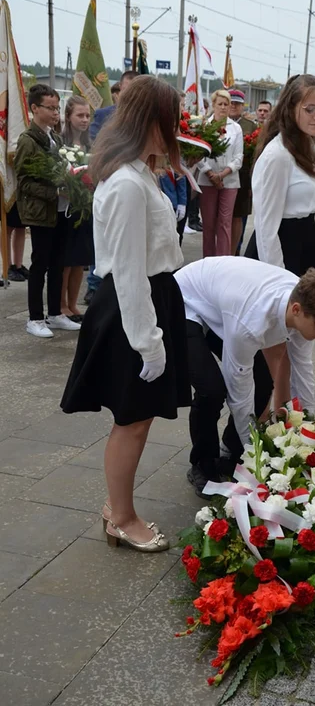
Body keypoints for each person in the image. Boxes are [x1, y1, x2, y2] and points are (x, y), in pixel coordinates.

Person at [61, 76, 190, 551]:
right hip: (135, 307)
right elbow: (129, 272)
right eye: (171, 117)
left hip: (149, 299)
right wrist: (148, 341)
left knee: (137, 418)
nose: (176, 126)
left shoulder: (139, 173)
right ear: (149, 120)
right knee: (132, 420)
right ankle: (122, 517)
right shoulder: (129, 185)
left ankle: (118, 508)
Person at [174, 256, 315, 496]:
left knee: (264, 383)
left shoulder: (302, 305)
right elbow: (239, 387)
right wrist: (254, 453)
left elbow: (303, 369)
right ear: (296, 310)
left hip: (223, 303)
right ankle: (202, 465)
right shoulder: (251, 321)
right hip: (184, 301)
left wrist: (308, 431)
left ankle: (230, 453)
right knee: (212, 390)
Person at [245, 74, 315, 276]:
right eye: (310, 109)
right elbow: (266, 228)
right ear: (291, 109)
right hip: (282, 250)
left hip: (308, 244)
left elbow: (308, 209)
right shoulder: (278, 156)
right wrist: (279, 280)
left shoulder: (310, 147)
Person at [14, 84, 81, 338]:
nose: (56, 113)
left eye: (57, 108)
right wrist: (53, 193)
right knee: (40, 264)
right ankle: (34, 318)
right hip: (42, 212)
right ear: (34, 108)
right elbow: (24, 182)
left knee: (58, 263)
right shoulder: (28, 140)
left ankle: (55, 313)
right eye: (50, 108)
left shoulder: (56, 137)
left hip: (61, 211)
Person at [85, 70, 139, 306]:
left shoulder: (141, 119)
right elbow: (97, 144)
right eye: (128, 89)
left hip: (133, 181)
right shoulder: (105, 115)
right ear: (120, 89)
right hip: (110, 177)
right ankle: (95, 285)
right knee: (105, 238)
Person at [196, 90, 243, 257]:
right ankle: (208, 260)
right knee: (208, 224)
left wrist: (222, 175)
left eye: (226, 104)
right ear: (213, 105)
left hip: (229, 181)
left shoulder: (236, 128)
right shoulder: (203, 125)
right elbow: (199, 154)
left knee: (225, 223)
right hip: (207, 179)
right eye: (220, 104)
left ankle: (223, 260)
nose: (223, 107)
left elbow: (238, 157)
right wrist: (210, 174)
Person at [60, 95, 94, 321]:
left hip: (87, 207)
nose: (84, 120)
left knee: (81, 258)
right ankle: (61, 305)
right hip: (67, 208)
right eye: (79, 115)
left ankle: (73, 304)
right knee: (66, 260)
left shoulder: (90, 144)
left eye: (87, 116)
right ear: (68, 117)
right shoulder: (61, 144)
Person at [228, 88, 256, 255]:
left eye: (237, 103)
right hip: (222, 177)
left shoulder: (250, 126)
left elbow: (256, 156)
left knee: (240, 217)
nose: (233, 106)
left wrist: (254, 182)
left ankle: (236, 249)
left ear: (242, 106)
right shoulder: (218, 122)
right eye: (231, 102)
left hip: (243, 178)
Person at [89, 70, 138, 141]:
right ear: (120, 87)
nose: (130, 95)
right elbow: (93, 140)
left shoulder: (146, 118)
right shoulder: (103, 114)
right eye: (126, 90)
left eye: (133, 91)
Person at [159, 168, 187, 244]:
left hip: (171, 201)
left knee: (174, 236)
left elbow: (180, 178)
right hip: (155, 202)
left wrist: (182, 203)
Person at [6, 203, 28, 282]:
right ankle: (7, 267)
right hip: (8, 195)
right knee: (7, 226)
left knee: (21, 226)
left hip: (22, 194)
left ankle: (18, 266)